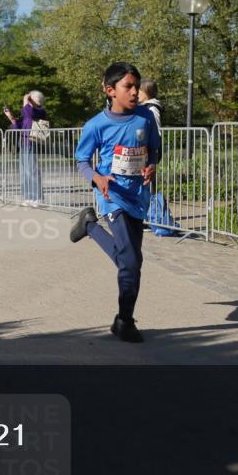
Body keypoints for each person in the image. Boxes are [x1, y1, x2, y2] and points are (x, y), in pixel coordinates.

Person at [70, 62, 162, 343]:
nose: (135, 92)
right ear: (110, 90)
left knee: (131, 261)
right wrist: (97, 178)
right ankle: (125, 321)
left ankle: (89, 226)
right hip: (113, 196)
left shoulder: (146, 117)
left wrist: (152, 166)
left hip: (137, 195)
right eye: (128, 86)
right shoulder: (96, 125)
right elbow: (82, 161)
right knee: (131, 262)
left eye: (137, 86)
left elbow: (155, 151)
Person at [5, 90, 47, 206]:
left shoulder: (40, 111)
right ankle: (28, 196)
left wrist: (25, 101)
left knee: (32, 170)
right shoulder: (28, 111)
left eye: (30, 99)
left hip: (32, 142)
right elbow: (18, 126)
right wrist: (11, 118)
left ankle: (37, 197)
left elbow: (28, 113)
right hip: (23, 143)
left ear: (36, 100)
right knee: (24, 171)